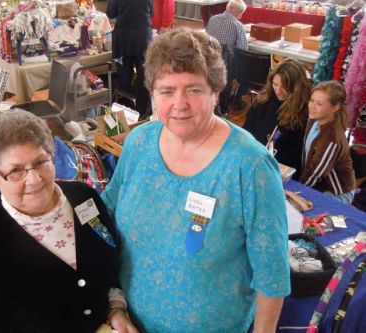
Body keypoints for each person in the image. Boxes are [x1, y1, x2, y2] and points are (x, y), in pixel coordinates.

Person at [102, 29, 290, 332]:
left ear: (216, 92)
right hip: (129, 323)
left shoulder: (250, 167)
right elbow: (105, 224)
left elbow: (272, 275)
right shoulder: (138, 143)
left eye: (193, 90)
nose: (180, 104)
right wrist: (114, 304)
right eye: (166, 91)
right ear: (152, 93)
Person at [0, 110, 138, 333]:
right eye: (16, 170)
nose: (34, 180)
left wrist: (116, 309)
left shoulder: (85, 198)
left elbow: (109, 263)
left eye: (40, 162)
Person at [243, 58, 311, 178]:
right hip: (253, 161)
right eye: (275, 84)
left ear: (296, 87)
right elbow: (246, 131)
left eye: (284, 87)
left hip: (280, 170)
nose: (278, 90)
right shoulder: (261, 101)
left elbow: (298, 155)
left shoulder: (303, 113)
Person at [300, 81, 356, 204]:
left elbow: (315, 173)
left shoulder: (332, 137)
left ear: (335, 107)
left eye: (319, 103)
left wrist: (297, 190)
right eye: (312, 100)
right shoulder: (314, 120)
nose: (312, 106)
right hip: (318, 185)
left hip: (336, 192)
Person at [107, 0, 153, 118]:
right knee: (143, 72)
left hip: (124, 38)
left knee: (124, 73)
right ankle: (142, 108)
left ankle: (126, 107)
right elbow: (151, 12)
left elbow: (110, 13)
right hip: (143, 36)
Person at [206, 0, 248, 113]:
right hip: (226, 64)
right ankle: (236, 100)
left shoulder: (212, 19)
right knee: (246, 68)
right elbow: (243, 49)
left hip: (208, 60)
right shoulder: (237, 25)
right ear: (239, 13)